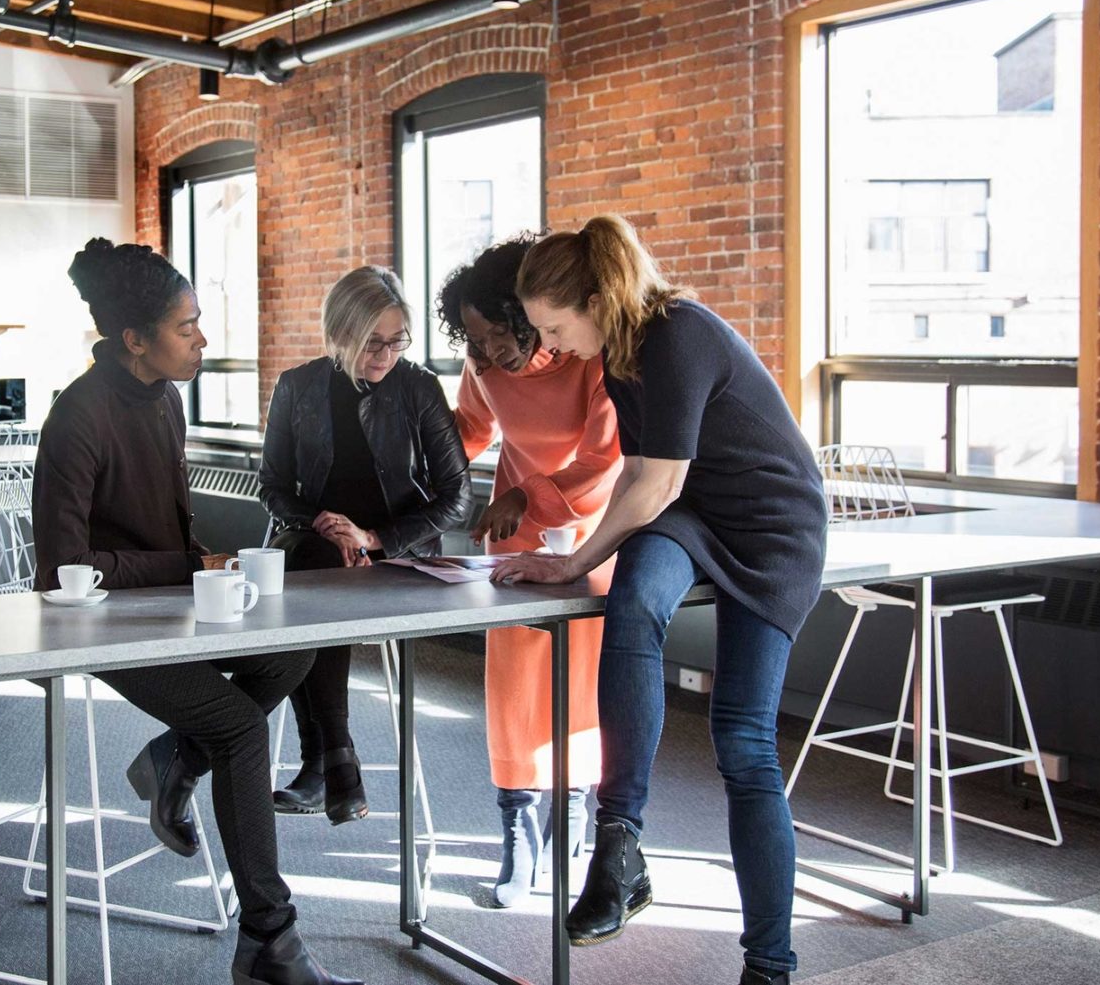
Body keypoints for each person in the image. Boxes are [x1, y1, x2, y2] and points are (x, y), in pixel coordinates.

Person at [491, 216, 825, 985]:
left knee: (743, 743)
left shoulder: (680, 333)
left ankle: (770, 964)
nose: (548, 345)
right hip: (695, 514)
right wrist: (580, 565)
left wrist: (574, 558)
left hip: (774, 528)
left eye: (554, 326)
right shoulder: (616, 356)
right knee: (633, 602)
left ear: (596, 298)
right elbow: (646, 477)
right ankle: (619, 846)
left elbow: (657, 481)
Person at [33, 237, 361, 985]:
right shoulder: (77, 418)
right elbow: (58, 572)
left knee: (295, 650)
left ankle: (175, 758)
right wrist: (189, 565)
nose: (203, 340)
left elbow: (166, 532)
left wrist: (208, 561)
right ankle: (270, 943)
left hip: (166, 607)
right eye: (188, 327)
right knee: (240, 727)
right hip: (95, 621)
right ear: (135, 340)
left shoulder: (167, 400)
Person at [438, 235, 624, 909]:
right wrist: (416, 463)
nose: (485, 354)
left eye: (493, 336)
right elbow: (469, 428)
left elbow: (604, 459)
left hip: (593, 525)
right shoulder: (484, 362)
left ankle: (570, 814)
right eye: (473, 341)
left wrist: (530, 493)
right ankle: (517, 825)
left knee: (581, 681)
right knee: (514, 683)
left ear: (524, 315)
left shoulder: (589, 355)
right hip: (514, 531)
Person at [259, 266, 472, 824]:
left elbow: (457, 498)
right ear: (338, 334)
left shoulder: (418, 387)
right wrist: (326, 522)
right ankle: (335, 760)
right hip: (317, 548)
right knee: (315, 569)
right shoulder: (297, 386)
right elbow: (273, 488)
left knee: (307, 588)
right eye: (371, 341)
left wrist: (375, 539)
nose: (385, 354)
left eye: (396, 340)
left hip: (400, 558)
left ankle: (326, 762)